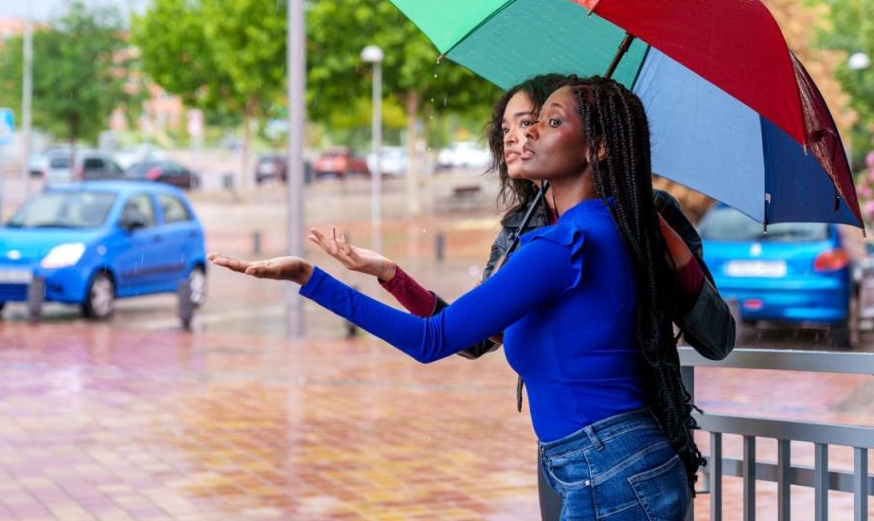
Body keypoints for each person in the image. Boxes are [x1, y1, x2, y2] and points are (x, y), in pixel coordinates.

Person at [210, 76, 706, 519]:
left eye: (550, 122)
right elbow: (481, 333)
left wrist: (309, 278)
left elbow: (435, 340)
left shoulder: (563, 246)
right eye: (526, 122)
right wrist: (389, 273)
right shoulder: (608, 227)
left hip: (609, 467)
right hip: (614, 461)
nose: (527, 132)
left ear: (598, 147)